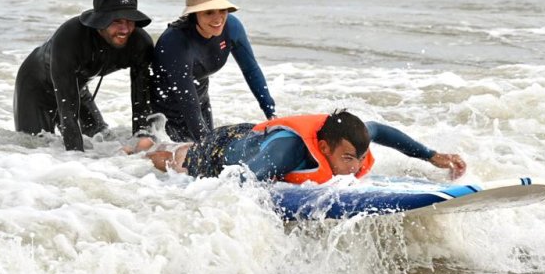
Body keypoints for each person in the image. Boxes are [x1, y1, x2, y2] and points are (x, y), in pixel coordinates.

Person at [129, 110, 466, 184]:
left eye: (359, 158)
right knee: (181, 162)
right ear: (323, 146)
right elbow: (238, 185)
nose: (354, 166)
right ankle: (147, 149)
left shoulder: (351, 138)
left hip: (253, 137)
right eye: (348, 158)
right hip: (224, 150)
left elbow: (381, 130)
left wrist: (432, 156)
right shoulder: (287, 152)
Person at [13, 0, 155, 151]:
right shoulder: (70, 38)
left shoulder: (139, 44)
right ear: (100, 21)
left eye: (130, 21)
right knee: (36, 148)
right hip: (36, 87)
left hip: (76, 88)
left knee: (101, 138)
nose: (125, 29)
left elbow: (142, 104)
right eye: (117, 21)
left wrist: (141, 145)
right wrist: (78, 162)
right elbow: (68, 114)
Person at [151, 0, 277, 143]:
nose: (218, 19)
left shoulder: (232, 27)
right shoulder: (175, 42)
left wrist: (271, 114)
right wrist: (206, 144)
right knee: (179, 161)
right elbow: (186, 100)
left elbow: (250, 69)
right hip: (163, 114)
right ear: (194, 14)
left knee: (206, 150)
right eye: (209, 12)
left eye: (222, 10)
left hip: (200, 102)